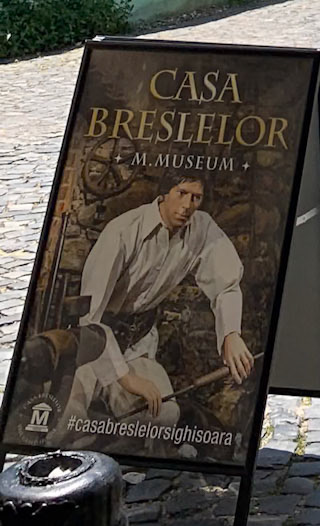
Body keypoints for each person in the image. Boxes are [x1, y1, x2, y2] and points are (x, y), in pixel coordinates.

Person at [60, 174, 251, 438]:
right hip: (93, 347)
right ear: (164, 193)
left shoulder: (202, 228)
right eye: (181, 193)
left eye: (196, 197)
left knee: (164, 416)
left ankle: (124, 454)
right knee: (67, 423)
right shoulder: (123, 231)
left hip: (138, 346)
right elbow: (89, 318)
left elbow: (226, 283)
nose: (187, 205)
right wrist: (126, 378)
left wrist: (231, 333)